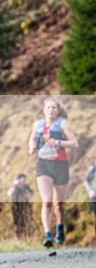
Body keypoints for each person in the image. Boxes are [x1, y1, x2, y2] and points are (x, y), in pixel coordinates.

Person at [27, 97, 79, 247]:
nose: (51, 110)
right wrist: (32, 147)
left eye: (54, 107)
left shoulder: (63, 124)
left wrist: (58, 142)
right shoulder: (38, 125)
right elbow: (32, 139)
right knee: (47, 201)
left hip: (60, 165)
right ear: (44, 110)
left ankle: (60, 227)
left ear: (58, 110)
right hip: (43, 164)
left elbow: (74, 143)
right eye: (48, 107)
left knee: (58, 204)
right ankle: (48, 235)